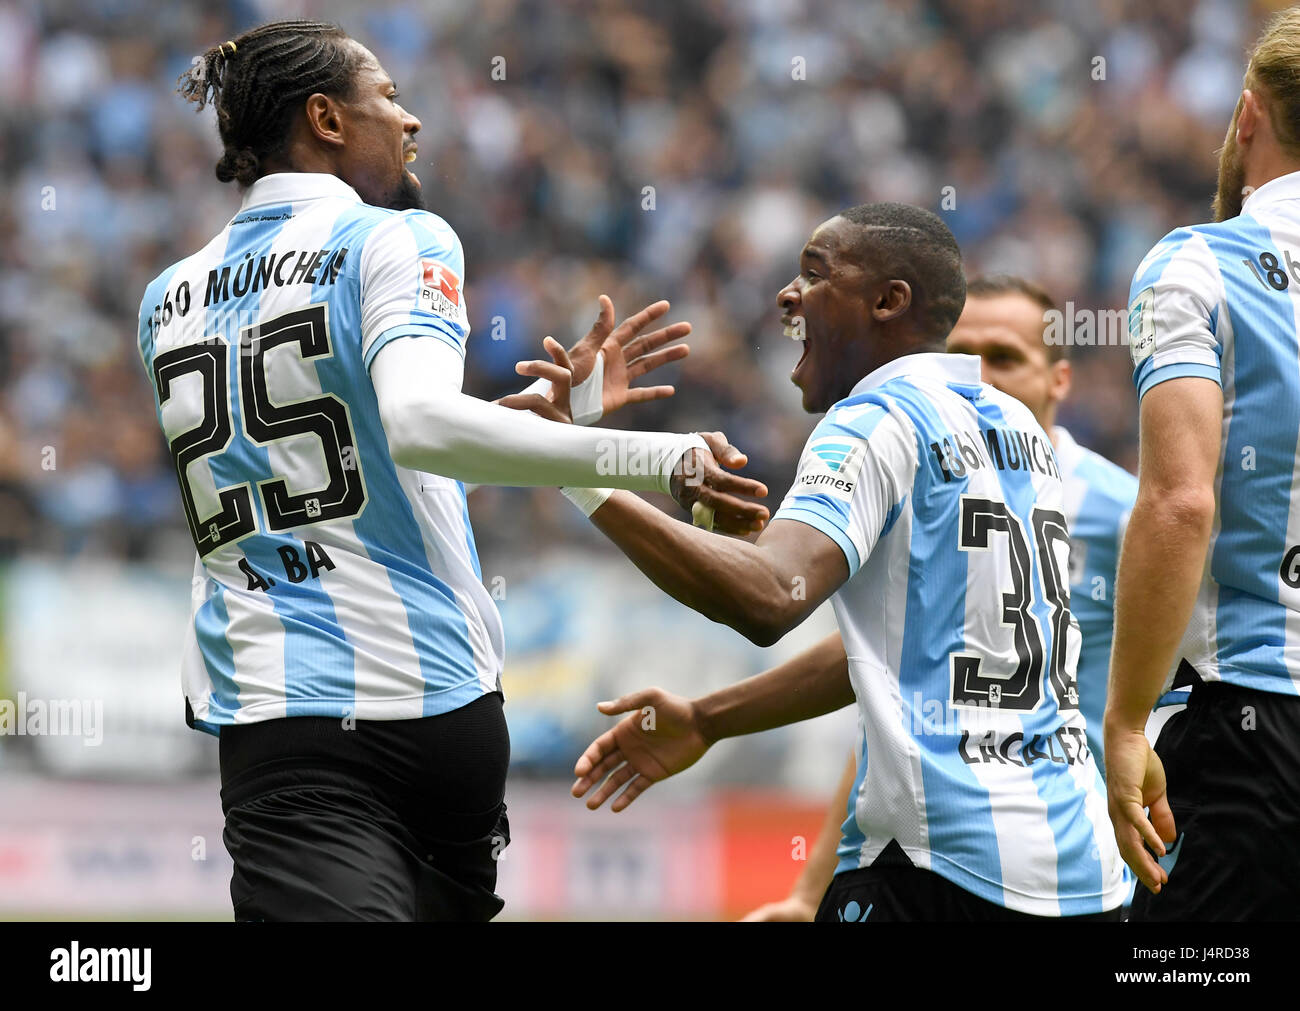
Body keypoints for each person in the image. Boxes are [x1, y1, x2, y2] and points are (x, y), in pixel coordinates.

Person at [140, 19, 766, 921]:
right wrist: (661, 457)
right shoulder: (398, 238)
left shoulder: (166, 297)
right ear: (324, 118)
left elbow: (352, 480)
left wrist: (554, 428)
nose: (411, 119)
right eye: (387, 97)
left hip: (288, 720)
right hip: (444, 708)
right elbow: (423, 428)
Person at [567, 205, 1127, 921]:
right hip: (1080, 867)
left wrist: (577, 471)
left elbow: (769, 598)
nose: (786, 294)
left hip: (944, 870)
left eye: (814, 272)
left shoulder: (874, 417)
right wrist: (709, 718)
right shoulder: (1019, 429)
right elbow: (913, 635)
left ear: (889, 301)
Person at [743, 273, 1142, 921]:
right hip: (942, 860)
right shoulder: (925, 478)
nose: (983, 378)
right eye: (968, 357)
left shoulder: (1124, 513)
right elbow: (894, 701)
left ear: (1058, 379)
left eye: (1006, 359)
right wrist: (808, 890)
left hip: (1087, 862)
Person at [1106, 7, 1300, 920]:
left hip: (1254, 727)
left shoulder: (1196, 266)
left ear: (1247, 113)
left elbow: (1181, 503)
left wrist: (1126, 718)